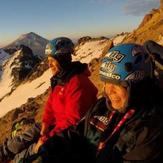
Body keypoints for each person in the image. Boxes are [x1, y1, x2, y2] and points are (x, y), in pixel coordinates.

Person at [33, 43, 163, 163]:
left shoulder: (150, 127)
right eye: (106, 82)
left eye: (117, 84)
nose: (108, 91)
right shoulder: (102, 106)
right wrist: (49, 146)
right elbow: (77, 132)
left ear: (136, 84)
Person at [0, 37, 98, 163]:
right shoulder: (61, 79)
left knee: (35, 148)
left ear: (62, 60)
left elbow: (72, 122)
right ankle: (5, 151)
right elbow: (51, 104)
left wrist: (48, 137)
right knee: (32, 132)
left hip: (67, 136)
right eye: (49, 60)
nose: (49, 64)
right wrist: (45, 123)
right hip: (56, 125)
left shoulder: (78, 84)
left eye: (53, 60)